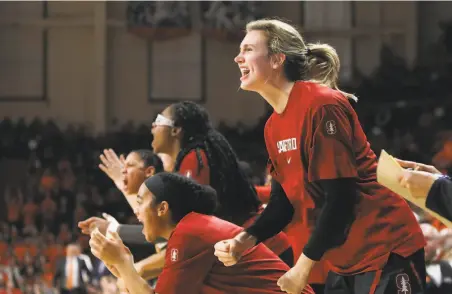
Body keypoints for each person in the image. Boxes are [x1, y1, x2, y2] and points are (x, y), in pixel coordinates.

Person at [213, 18, 426, 294]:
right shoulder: (272, 127)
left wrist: (301, 269)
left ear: (277, 59)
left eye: (248, 49)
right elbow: (282, 205)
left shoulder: (321, 105)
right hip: (343, 261)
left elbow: (341, 198)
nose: (237, 57)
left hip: (387, 249)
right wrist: (243, 240)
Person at [88, 172, 314, 294]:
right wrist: (122, 267)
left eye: (140, 202)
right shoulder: (189, 230)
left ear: (163, 208)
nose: (136, 211)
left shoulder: (189, 234)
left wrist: (125, 263)